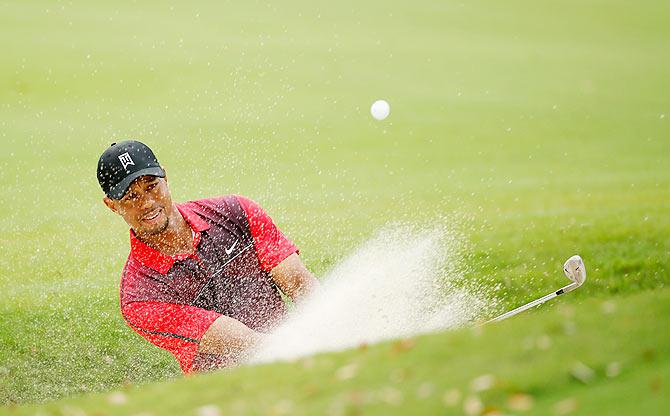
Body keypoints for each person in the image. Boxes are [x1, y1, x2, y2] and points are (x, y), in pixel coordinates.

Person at [97, 140, 318, 373]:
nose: (147, 203)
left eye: (151, 186)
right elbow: (240, 342)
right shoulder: (140, 295)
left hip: (294, 361)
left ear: (165, 177)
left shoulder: (237, 211)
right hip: (229, 393)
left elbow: (300, 284)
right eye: (131, 196)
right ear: (112, 205)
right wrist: (299, 350)